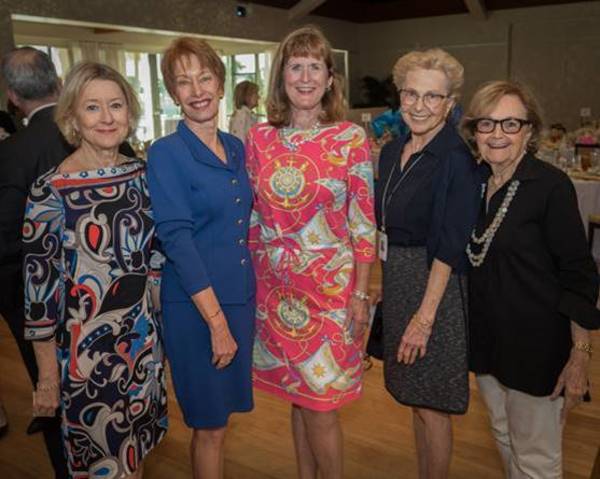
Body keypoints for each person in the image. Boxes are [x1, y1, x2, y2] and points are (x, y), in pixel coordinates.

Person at [22, 61, 168, 478]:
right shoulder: (50, 191)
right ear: (71, 117)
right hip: (87, 364)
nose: (107, 118)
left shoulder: (142, 174)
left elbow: (155, 260)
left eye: (116, 105)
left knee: (135, 459)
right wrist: (48, 377)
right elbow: (38, 294)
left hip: (142, 350)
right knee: (107, 466)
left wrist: (165, 344)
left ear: (130, 112)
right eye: (92, 108)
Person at [247, 26, 376, 479]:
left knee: (323, 406)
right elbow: (252, 220)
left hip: (331, 294)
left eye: (314, 67)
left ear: (330, 78)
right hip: (275, 294)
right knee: (298, 398)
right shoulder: (260, 138)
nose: (304, 77)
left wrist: (360, 297)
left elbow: (364, 226)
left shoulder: (350, 139)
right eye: (295, 66)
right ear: (281, 75)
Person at [462, 80, 600, 478]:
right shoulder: (476, 183)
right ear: (475, 132)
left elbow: (579, 273)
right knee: (504, 435)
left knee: (536, 457)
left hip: (536, 346)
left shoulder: (549, 186)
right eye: (488, 124)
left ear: (529, 130)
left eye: (511, 124)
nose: (498, 134)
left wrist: (580, 355)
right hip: (489, 341)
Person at [147, 37, 255, 479]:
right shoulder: (166, 152)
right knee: (208, 427)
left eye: (205, 77)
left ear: (221, 82)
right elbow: (177, 239)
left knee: (222, 422)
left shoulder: (235, 147)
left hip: (238, 299)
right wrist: (216, 323)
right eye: (183, 82)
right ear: (173, 94)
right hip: (197, 309)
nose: (197, 90)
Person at [374, 48, 480, 478]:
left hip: (435, 289)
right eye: (411, 94)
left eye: (432, 97)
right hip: (400, 282)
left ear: (450, 104)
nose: (419, 105)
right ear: (400, 97)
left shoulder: (455, 158)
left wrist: (425, 317)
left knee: (433, 404)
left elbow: (449, 247)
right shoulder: (392, 149)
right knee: (414, 398)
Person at [0, 46, 71, 478]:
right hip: (94, 292)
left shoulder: (11, 153)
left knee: (48, 388)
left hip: (33, 299)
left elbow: (6, 242)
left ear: (12, 96)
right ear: (59, 83)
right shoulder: (89, 132)